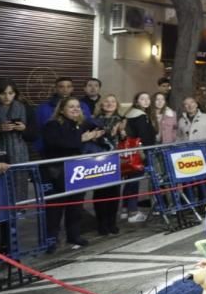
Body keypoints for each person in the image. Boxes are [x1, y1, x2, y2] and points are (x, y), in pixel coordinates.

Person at [41, 97, 105, 251]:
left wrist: (97, 132)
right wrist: (81, 138)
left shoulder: (82, 124)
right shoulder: (52, 125)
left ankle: (74, 234)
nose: (76, 109)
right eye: (71, 107)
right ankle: (51, 239)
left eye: (78, 106)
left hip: (78, 171)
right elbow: (58, 143)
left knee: (76, 205)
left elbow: (101, 128)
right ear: (61, 110)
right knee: (55, 208)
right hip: (57, 171)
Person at [0, 78, 38, 252]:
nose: (7, 97)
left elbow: (34, 135)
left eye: (11, 93)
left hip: (19, 156)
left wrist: (23, 129)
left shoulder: (24, 108)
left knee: (12, 203)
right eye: (3, 93)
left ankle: (8, 245)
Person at [91, 94, 126, 235]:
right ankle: (101, 223)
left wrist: (122, 131)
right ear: (101, 104)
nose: (110, 104)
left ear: (117, 104)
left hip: (115, 159)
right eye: (106, 101)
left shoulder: (122, 120)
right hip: (99, 159)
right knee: (100, 192)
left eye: (113, 101)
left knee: (114, 192)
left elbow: (125, 137)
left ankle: (112, 222)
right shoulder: (94, 120)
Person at [122, 92, 157, 223]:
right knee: (134, 181)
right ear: (137, 101)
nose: (146, 101)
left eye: (148, 98)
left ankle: (125, 209)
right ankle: (133, 211)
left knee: (129, 180)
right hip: (140, 152)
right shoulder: (141, 116)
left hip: (130, 152)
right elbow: (144, 136)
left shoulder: (130, 114)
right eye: (142, 99)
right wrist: (146, 152)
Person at [34, 77, 90, 153]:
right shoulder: (43, 108)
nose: (65, 90)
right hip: (53, 153)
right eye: (61, 86)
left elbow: (87, 125)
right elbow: (38, 130)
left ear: (72, 88)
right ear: (55, 89)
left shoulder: (83, 106)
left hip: (79, 151)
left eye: (68, 86)